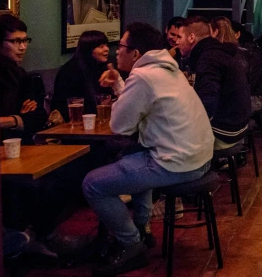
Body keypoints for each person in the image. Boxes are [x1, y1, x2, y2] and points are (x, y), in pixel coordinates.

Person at [84, 22, 214, 277]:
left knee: (93, 184)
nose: (115, 52)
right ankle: (142, 228)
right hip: (200, 157)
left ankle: (131, 243)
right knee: (135, 155)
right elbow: (142, 104)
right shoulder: (166, 70)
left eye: (120, 46)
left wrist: (118, 87)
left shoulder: (143, 76)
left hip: (177, 163)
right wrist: (119, 84)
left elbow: (120, 125)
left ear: (135, 53)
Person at [177, 16, 252, 149]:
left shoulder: (208, 58)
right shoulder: (220, 51)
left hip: (226, 132)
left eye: (180, 37)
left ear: (191, 37)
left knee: (166, 133)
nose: (177, 42)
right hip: (239, 125)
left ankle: (196, 168)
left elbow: (207, 104)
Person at [0, 14, 47, 145]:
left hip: (21, 143)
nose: (23, 47)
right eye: (15, 41)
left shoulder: (20, 73)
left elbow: (39, 116)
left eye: (25, 41)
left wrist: (11, 120)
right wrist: (19, 118)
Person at [50, 30, 113, 121]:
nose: (106, 49)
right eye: (101, 46)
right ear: (88, 50)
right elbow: (61, 106)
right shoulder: (71, 70)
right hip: (74, 123)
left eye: (106, 45)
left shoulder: (102, 68)